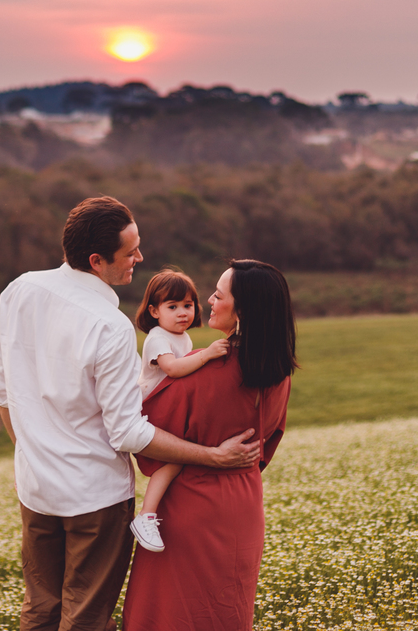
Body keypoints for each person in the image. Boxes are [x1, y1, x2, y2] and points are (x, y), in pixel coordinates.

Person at [0, 197, 262, 631]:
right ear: (97, 260)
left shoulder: (19, 289)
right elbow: (128, 433)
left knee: (40, 611)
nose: (140, 257)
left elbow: (1, 393)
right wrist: (213, 456)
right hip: (94, 500)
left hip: (35, 489)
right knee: (86, 620)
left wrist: (32, 456)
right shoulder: (108, 324)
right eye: (130, 251)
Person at [121, 259, 297, 631]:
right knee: (226, 611)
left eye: (218, 295)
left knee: (172, 615)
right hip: (245, 503)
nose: (210, 302)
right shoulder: (280, 371)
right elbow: (268, 441)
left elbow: (147, 440)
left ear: (242, 310)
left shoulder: (202, 375)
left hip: (190, 508)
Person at [129, 268, 230, 553]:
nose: (182, 313)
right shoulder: (158, 338)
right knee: (172, 461)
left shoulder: (182, 338)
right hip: (152, 407)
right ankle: (146, 515)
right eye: (172, 307)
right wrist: (206, 354)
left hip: (170, 405)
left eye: (188, 305)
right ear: (154, 311)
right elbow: (172, 369)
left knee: (181, 458)